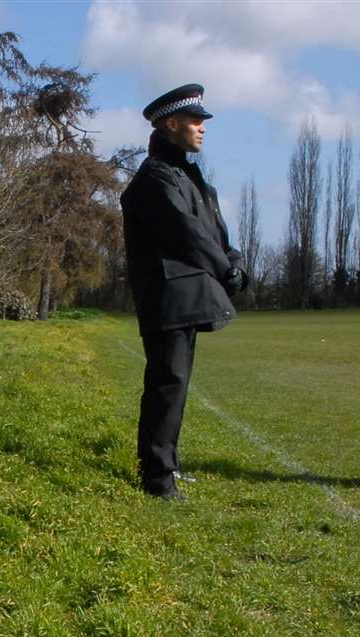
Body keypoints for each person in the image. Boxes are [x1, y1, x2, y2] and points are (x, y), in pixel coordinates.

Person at [121, 83, 248, 501]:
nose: (202, 128)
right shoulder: (155, 178)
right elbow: (187, 234)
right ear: (170, 124)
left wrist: (237, 261)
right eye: (195, 121)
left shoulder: (188, 176)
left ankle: (166, 468)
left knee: (174, 383)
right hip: (167, 297)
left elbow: (215, 233)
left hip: (185, 297)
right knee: (167, 383)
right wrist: (226, 270)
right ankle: (157, 478)